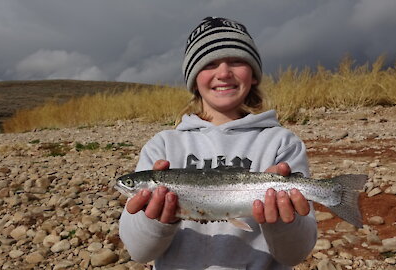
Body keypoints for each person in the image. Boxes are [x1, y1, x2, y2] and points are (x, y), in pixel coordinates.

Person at [119, 16, 317, 269]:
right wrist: (157, 219)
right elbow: (138, 251)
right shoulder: (162, 146)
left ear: (254, 74)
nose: (223, 73)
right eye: (209, 63)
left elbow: (294, 255)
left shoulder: (282, 143)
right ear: (193, 78)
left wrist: (279, 218)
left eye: (236, 61)